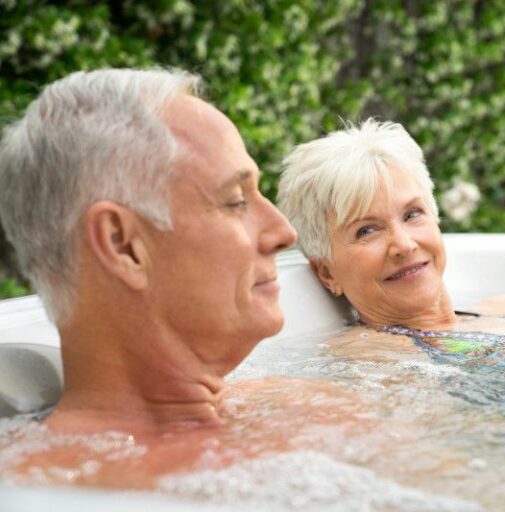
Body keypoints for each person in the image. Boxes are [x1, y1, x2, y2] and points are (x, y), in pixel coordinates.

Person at [0, 69, 372, 488]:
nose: (283, 232)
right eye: (235, 201)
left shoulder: (317, 409)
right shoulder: (43, 491)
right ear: (122, 245)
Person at [278, 119, 505, 370]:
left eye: (412, 214)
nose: (404, 244)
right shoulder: (373, 357)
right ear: (327, 273)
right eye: (367, 231)